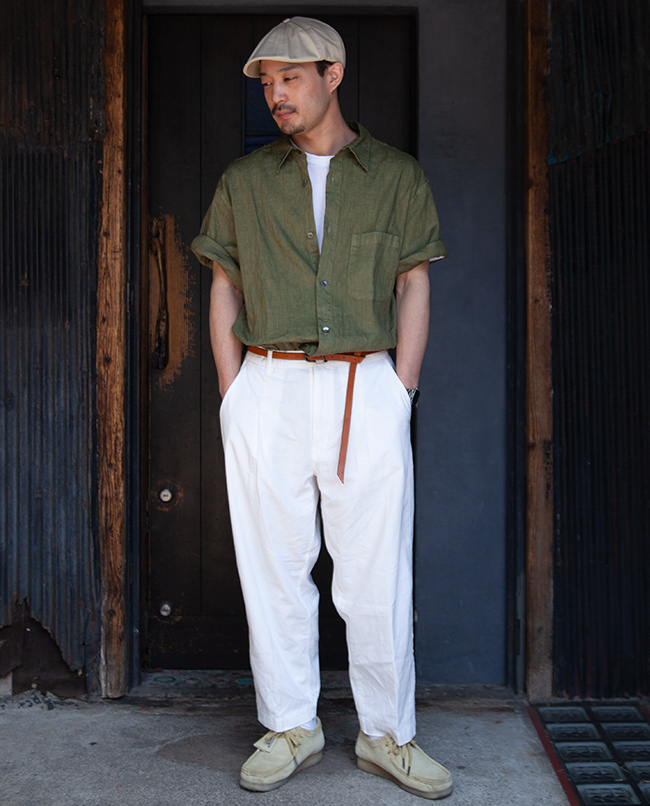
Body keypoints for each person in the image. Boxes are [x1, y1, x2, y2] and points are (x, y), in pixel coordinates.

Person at [191, 16, 452, 800]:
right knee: (272, 568)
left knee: (377, 574)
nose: (276, 93)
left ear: (332, 75)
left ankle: (386, 735)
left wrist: (400, 390)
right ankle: (290, 726)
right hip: (266, 384)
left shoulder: (395, 176)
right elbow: (224, 285)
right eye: (267, 82)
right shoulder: (245, 181)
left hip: (364, 384)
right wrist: (234, 393)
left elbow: (413, 281)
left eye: (290, 77)